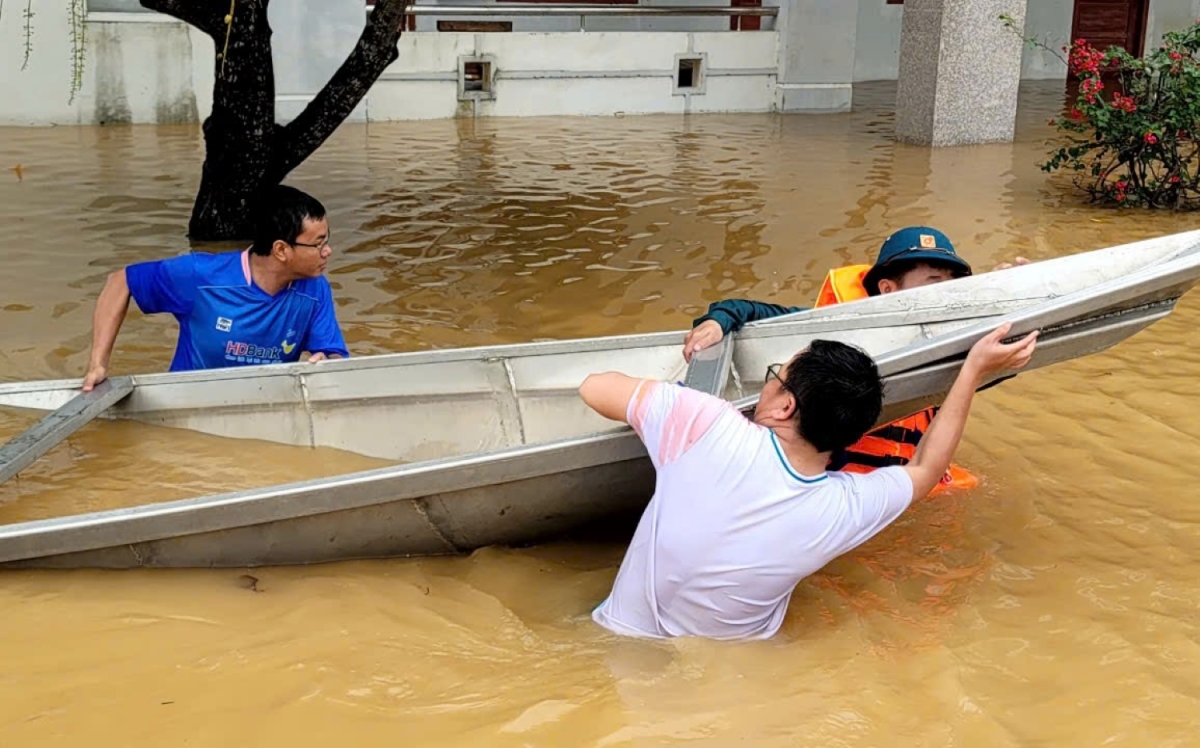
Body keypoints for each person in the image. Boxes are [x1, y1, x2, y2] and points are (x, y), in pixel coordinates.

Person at [578, 323, 1038, 640]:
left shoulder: (703, 423)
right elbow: (925, 469)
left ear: (785, 407)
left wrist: (668, 401)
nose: (767, 385)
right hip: (736, 676)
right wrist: (973, 370)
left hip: (617, 639)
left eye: (775, 378)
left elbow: (594, 387)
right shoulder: (846, 506)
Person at [681, 226, 1029, 493]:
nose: (944, 294)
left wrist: (1011, 299)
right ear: (888, 290)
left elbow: (998, 361)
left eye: (950, 285)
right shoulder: (835, 332)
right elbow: (749, 311)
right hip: (852, 490)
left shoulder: (946, 341)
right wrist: (717, 321)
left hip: (915, 481)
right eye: (933, 283)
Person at [81, 184, 349, 391]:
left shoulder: (315, 289)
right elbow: (120, 281)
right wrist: (97, 364)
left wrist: (327, 364)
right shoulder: (201, 276)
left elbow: (332, 354)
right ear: (281, 249)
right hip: (188, 406)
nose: (327, 251)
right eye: (318, 243)